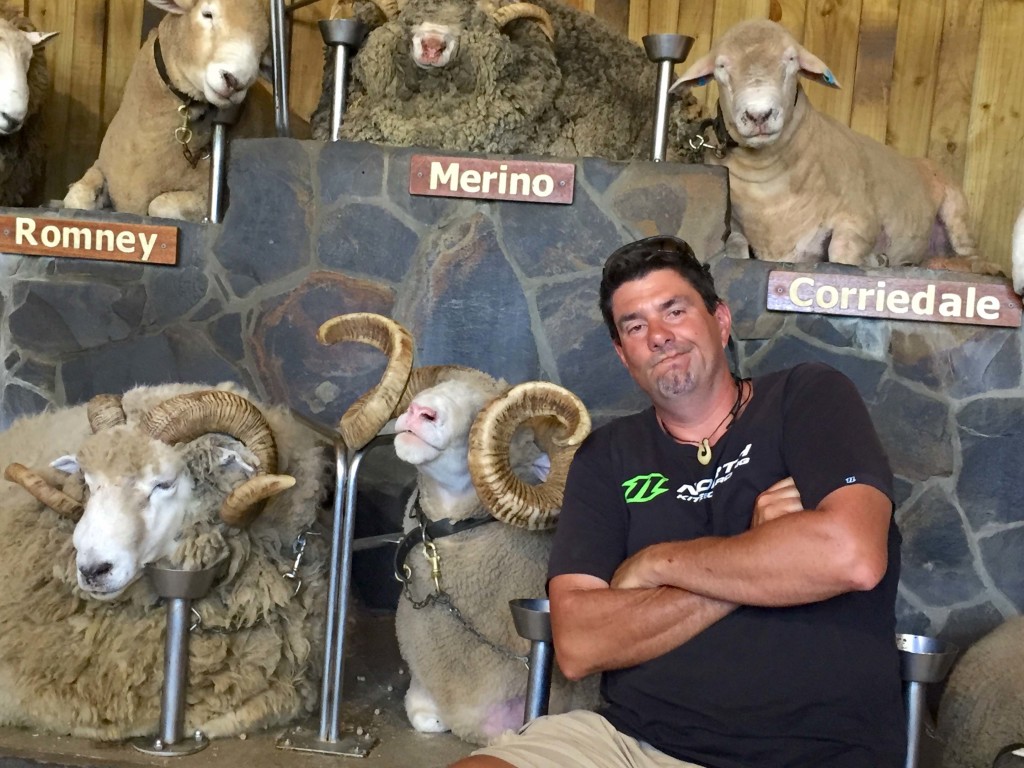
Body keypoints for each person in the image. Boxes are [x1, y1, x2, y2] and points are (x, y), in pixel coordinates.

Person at [451, 235, 905, 768]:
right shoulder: (607, 456)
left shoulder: (806, 397)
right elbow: (579, 644)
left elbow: (851, 555)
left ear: (720, 320)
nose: (660, 336)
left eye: (675, 310)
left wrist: (656, 564)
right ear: (623, 356)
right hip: (635, 745)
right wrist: (761, 553)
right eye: (636, 326)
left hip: (817, 750)